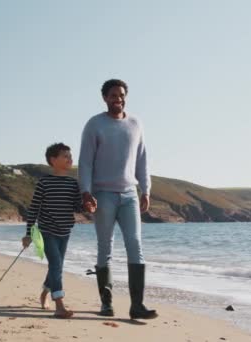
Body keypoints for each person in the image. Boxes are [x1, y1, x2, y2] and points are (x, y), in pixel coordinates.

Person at [78, 79, 157, 319]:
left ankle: (137, 306)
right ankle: (106, 303)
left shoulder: (135, 123)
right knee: (105, 247)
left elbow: (142, 158)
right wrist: (86, 191)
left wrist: (146, 190)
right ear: (105, 98)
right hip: (103, 195)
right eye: (113, 95)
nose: (118, 99)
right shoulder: (95, 124)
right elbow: (85, 161)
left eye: (121, 95)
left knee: (135, 246)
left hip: (129, 195)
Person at [22, 143, 88, 319]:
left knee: (55, 266)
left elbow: (78, 208)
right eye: (65, 156)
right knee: (56, 265)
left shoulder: (73, 183)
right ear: (53, 160)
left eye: (70, 155)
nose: (70, 158)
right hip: (47, 231)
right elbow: (34, 209)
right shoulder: (44, 182)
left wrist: (88, 205)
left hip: (65, 232)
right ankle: (59, 305)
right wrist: (28, 234)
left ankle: (44, 292)